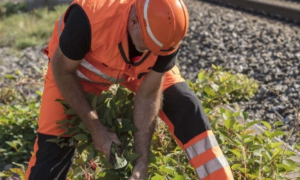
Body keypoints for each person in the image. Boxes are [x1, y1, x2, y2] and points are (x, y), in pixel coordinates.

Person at [25, 0, 234, 179]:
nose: (154, 53)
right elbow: (62, 71)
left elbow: (149, 93)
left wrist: (141, 161)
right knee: (54, 145)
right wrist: (97, 129)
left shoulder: (167, 34)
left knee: (186, 106)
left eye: (159, 50)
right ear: (134, 22)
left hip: (137, 68)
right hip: (75, 71)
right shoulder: (89, 18)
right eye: (149, 45)